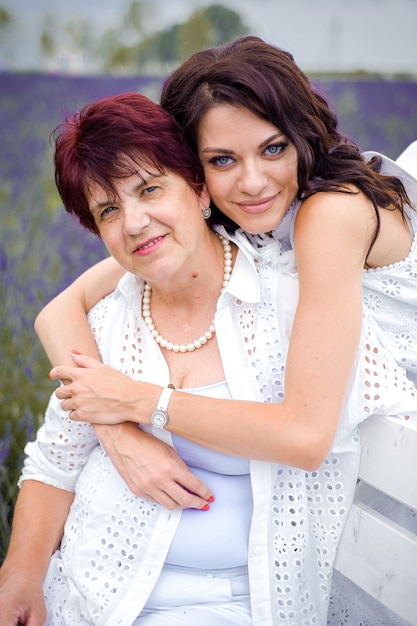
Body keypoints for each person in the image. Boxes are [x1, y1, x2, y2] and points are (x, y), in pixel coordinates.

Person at [31, 36, 417, 624]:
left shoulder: (327, 216)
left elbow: (307, 433)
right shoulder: (227, 224)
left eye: (273, 148)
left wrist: (141, 401)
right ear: (197, 174)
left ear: (302, 137)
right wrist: (117, 432)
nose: (254, 182)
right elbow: (59, 311)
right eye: (222, 160)